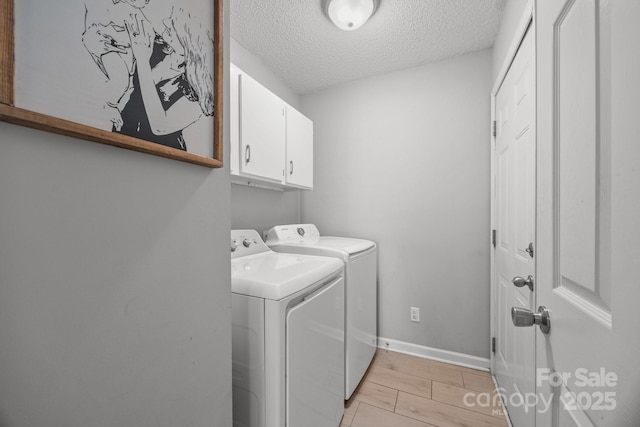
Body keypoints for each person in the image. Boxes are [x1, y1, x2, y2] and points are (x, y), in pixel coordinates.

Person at [116, 6, 214, 152]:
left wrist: (142, 60)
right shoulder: (155, 45)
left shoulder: (201, 90)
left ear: (187, 39)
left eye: (173, 23)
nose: (166, 22)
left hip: (162, 156)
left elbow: (160, 126)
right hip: (121, 137)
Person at [82, 0, 150, 130]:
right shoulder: (104, 8)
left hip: (124, 49)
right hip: (109, 45)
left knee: (124, 82)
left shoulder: (135, 11)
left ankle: (110, 105)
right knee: (120, 80)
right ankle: (109, 104)